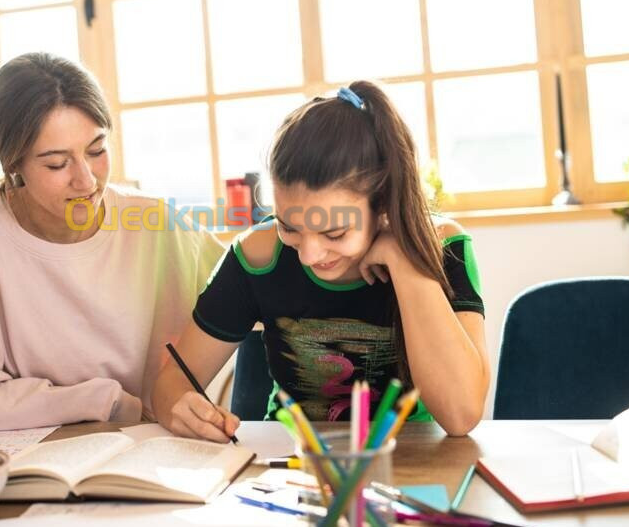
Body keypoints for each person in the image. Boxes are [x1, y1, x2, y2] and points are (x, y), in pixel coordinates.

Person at [152, 81, 488, 440]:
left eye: (335, 233)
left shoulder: (443, 247)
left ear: (385, 204)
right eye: (289, 227)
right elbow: (170, 383)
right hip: (292, 463)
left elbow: (460, 414)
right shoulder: (257, 255)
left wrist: (402, 258)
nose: (309, 255)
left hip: (412, 461)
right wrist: (180, 407)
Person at [0, 53, 224, 430]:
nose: (86, 181)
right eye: (56, 163)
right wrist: (111, 402)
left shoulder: (158, 224)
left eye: (97, 151)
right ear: (13, 163)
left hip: (152, 450)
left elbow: (256, 286)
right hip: (32, 457)